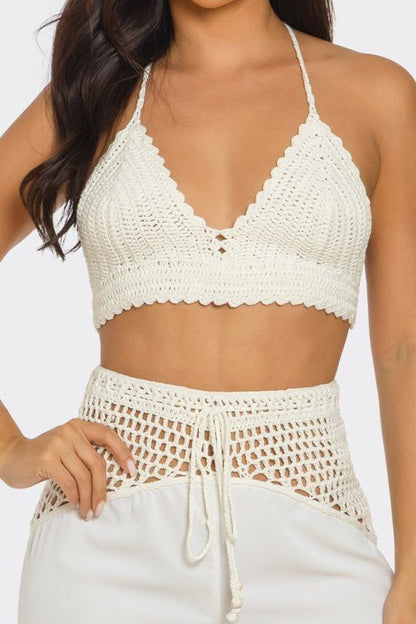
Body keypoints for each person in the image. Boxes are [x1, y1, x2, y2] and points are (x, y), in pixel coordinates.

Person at [1, 1, 415, 622]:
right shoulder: (95, 93)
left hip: (314, 538)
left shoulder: (377, 94)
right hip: (102, 542)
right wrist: (10, 448)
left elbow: (404, 350)